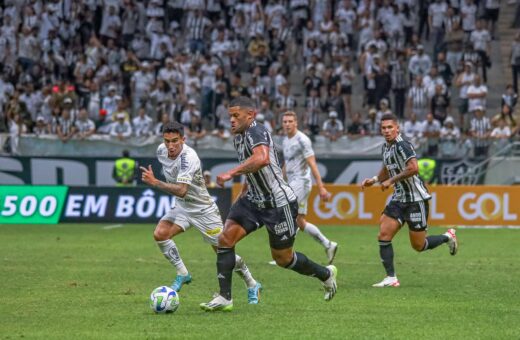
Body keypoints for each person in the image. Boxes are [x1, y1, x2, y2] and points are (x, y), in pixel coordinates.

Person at [200, 97, 338, 312]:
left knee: (283, 259)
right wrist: (243, 194)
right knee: (224, 239)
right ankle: (225, 297)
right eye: (230, 117)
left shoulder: (257, 131)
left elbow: (262, 158)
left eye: (236, 116)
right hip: (253, 200)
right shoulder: (238, 137)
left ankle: (326, 274)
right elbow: (252, 169)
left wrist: (231, 172)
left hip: (278, 204)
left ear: (251, 115)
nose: (232, 121)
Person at [140, 121, 260, 302]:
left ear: (183, 139)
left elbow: (182, 190)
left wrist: (155, 182)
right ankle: (183, 273)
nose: (170, 146)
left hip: (203, 210)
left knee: (223, 252)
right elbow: (180, 194)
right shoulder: (160, 151)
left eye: (175, 141)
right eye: (167, 141)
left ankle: (252, 283)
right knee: (161, 234)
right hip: (182, 206)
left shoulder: (190, 158)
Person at [361, 114, 458, 288]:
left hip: (416, 200)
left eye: (390, 127)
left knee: (419, 246)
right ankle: (391, 278)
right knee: (383, 234)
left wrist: (391, 181)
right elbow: (387, 167)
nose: (387, 131)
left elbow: (413, 168)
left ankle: (447, 237)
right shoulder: (386, 148)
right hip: (399, 199)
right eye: (384, 128)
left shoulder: (403, 145)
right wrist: (375, 179)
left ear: (397, 128)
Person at [280, 111, 338, 263]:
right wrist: (279, 179)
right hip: (292, 181)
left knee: (286, 214)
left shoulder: (302, 140)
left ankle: (285, 253)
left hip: (301, 182)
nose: (287, 124)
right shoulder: (285, 140)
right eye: (285, 121)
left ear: (296, 123)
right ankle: (328, 244)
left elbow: (312, 163)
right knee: (299, 221)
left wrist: (321, 187)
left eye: (290, 121)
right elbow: (287, 163)